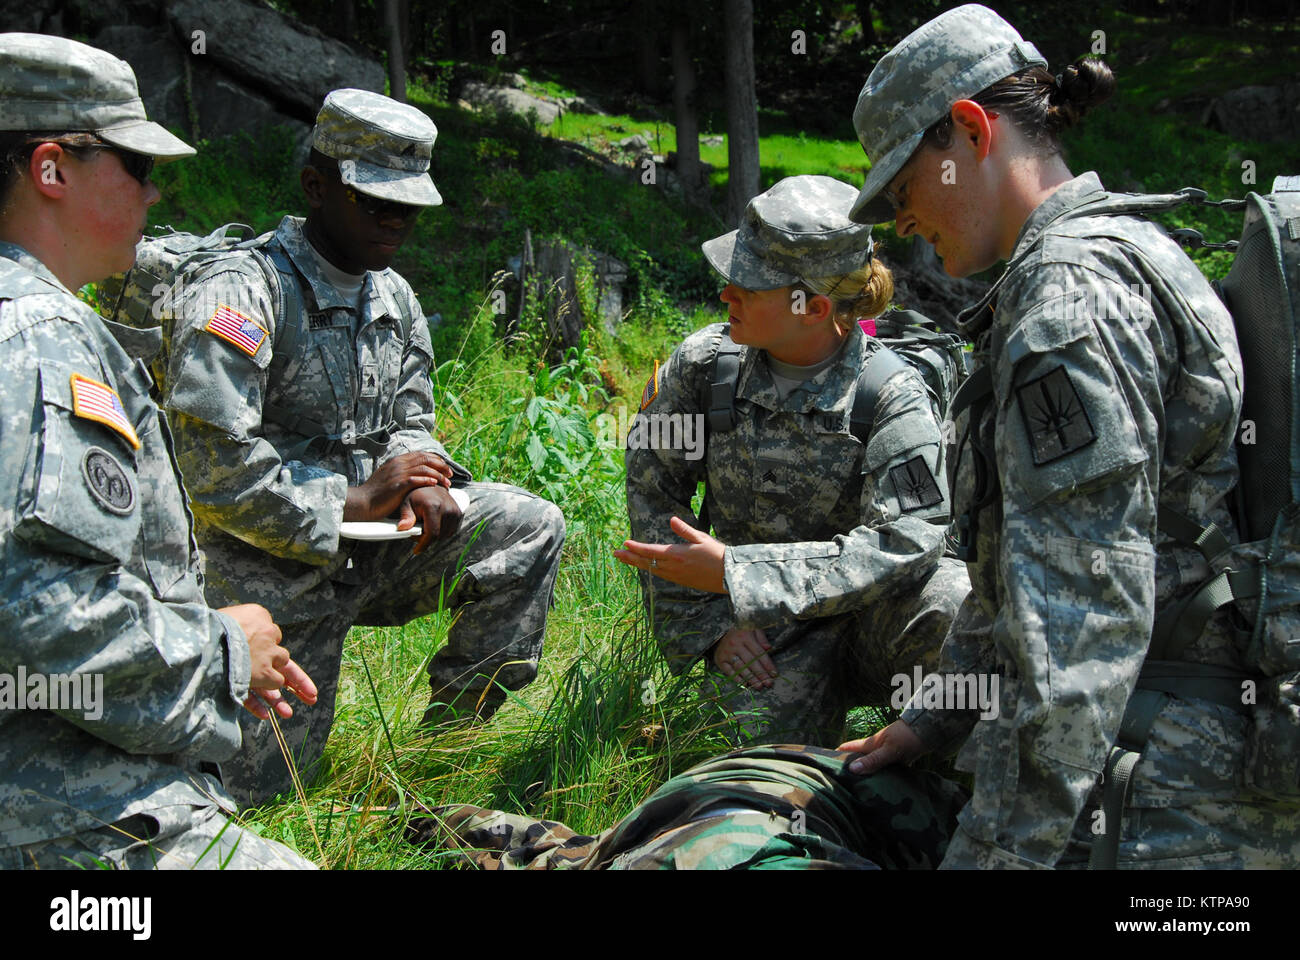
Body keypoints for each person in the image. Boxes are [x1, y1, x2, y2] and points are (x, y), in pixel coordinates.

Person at [839, 3, 1300, 868]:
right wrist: (936, 718)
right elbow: (1018, 567)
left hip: (1164, 803)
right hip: (1169, 753)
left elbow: (1080, 626)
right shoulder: (1130, 245)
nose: (903, 224)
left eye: (904, 189)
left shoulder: (1066, 304)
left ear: (970, 131)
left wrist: (996, 856)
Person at [158, 89, 566, 806]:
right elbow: (213, 469)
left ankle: (444, 753)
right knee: (260, 802)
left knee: (528, 526)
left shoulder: (395, 297)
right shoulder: (242, 292)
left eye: (410, 207)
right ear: (317, 187)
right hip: (263, 573)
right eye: (377, 204)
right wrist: (349, 499)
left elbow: (411, 416)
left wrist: (426, 478)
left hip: (377, 550)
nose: (397, 222)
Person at [0, 32, 316, 869]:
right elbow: (36, 609)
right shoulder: (39, 335)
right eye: (134, 167)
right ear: (52, 169)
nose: (154, 191)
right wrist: (223, 653)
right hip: (53, 810)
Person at [614, 175, 970, 747]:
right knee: (746, 783)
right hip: (757, 632)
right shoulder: (706, 367)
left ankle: (927, 775)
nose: (727, 293)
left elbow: (908, 538)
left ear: (815, 306)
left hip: (867, 622)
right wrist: (711, 627)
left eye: (748, 286)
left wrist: (740, 572)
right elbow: (655, 497)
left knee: (958, 603)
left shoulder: (890, 394)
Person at [410, 743, 967, 870]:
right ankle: (426, 816)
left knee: (568, 857)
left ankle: (432, 816)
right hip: (744, 799)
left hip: (834, 787)